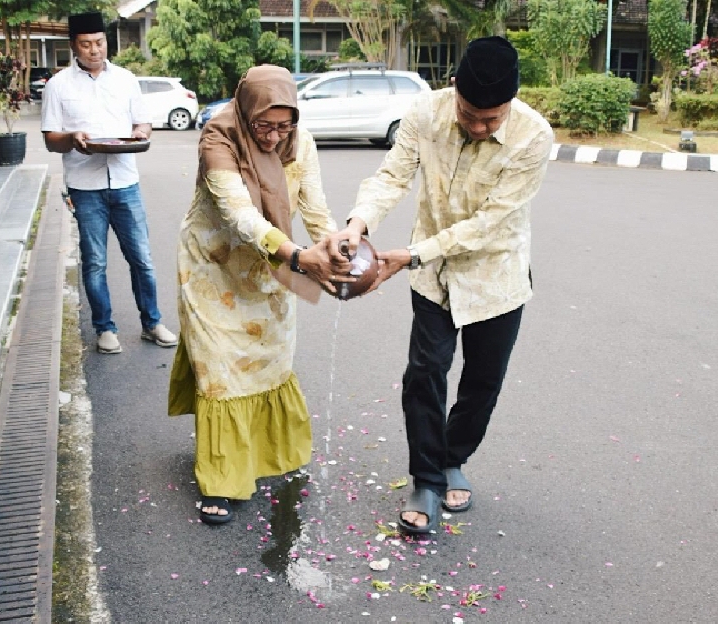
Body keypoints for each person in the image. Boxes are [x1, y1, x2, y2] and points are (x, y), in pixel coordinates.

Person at [329, 36, 554, 535]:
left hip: (497, 277)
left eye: (491, 119)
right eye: (470, 114)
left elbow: (491, 223)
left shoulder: (534, 136)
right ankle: (428, 479)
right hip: (433, 276)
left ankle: (455, 457)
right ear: (454, 88)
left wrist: (410, 254)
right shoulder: (424, 114)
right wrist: (357, 224)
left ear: (511, 104)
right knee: (424, 372)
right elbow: (392, 175)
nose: (478, 127)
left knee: (482, 383)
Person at [168, 65, 350, 525]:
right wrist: (296, 256)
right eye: (263, 126)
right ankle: (221, 482)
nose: (273, 136)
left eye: (283, 126)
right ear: (245, 113)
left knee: (269, 361)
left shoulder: (299, 142)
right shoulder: (219, 139)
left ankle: (266, 454)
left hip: (271, 270)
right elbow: (240, 216)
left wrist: (334, 249)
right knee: (221, 371)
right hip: (213, 268)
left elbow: (314, 208)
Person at [41, 12, 177, 354]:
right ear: (74, 46)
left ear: (106, 42)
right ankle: (104, 328)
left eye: (99, 43)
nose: (94, 50)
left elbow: (143, 125)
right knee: (96, 262)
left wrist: (140, 132)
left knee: (142, 259)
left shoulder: (126, 79)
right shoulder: (58, 86)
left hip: (125, 183)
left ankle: (152, 323)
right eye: (86, 44)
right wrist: (72, 138)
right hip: (85, 188)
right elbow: (50, 140)